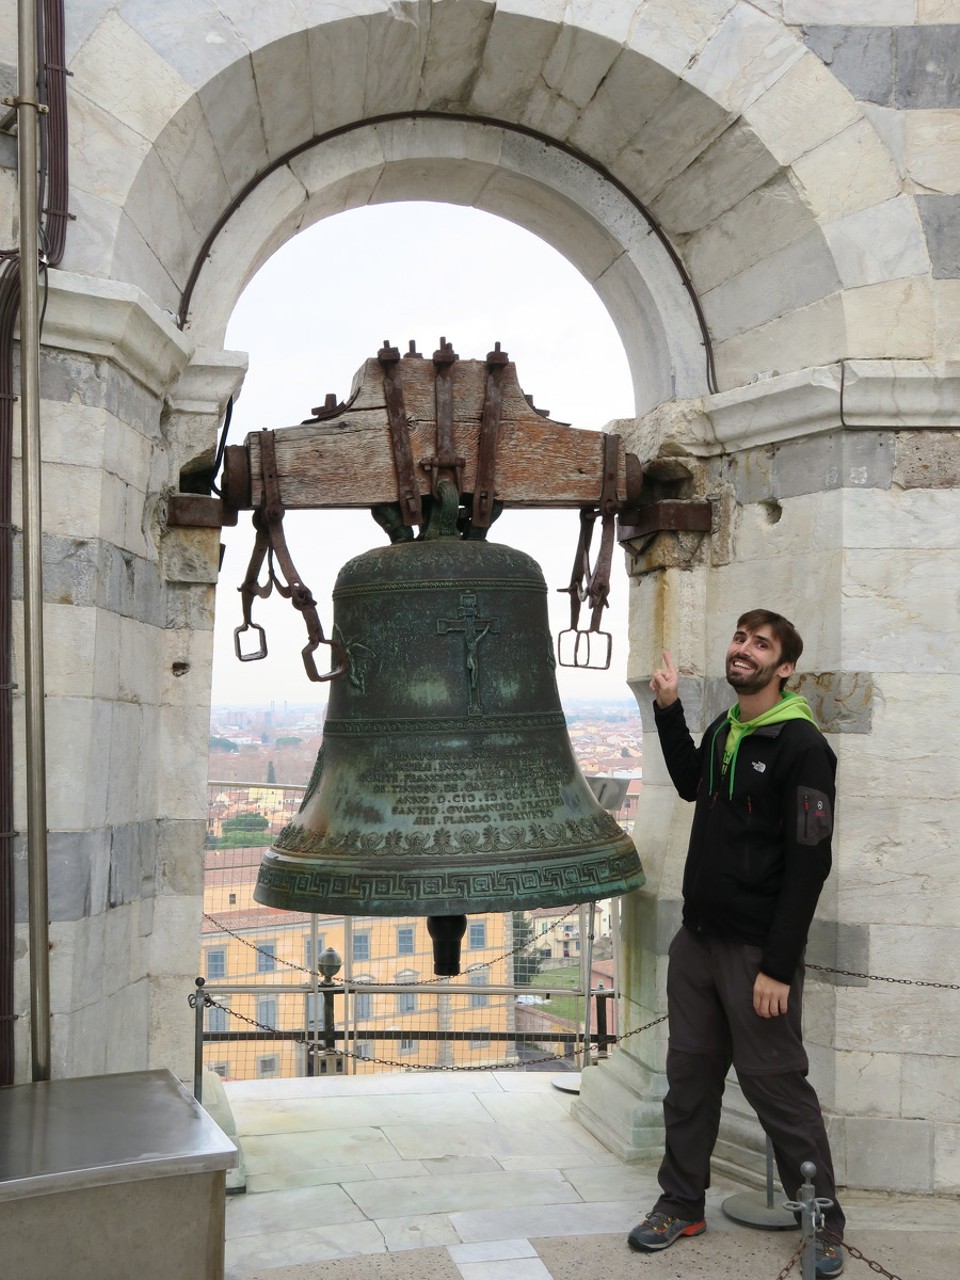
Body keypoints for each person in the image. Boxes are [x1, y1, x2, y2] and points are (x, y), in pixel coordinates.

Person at [628, 609, 845, 1278]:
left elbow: (810, 862)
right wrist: (669, 710)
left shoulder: (803, 748)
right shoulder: (727, 727)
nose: (743, 650)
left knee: (775, 1085)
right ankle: (681, 1203)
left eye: (761, 645)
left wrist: (778, 967)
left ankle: (822, 1223)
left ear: (785, 668)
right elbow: (694, 783)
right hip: (698, 942)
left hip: (757, 954)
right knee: (689, 1078)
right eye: (740, 638)